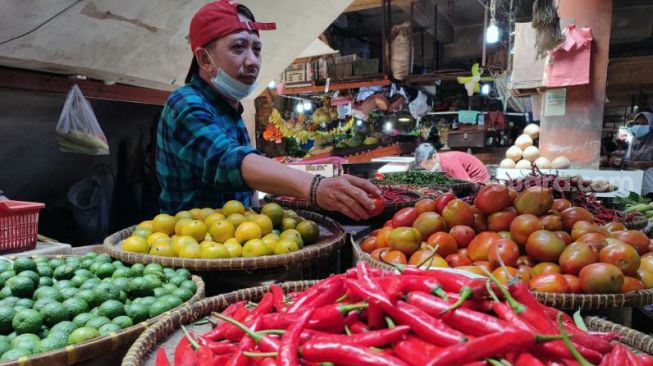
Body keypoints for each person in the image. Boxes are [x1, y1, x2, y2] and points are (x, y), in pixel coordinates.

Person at [156, 1, 380, 220]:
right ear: (204, 59)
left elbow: (243, 188)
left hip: (235, 246)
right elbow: (225, 161)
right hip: (190, 249)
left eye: (257, 49)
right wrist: (315, 187)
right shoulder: (184, 104)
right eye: (238, 47)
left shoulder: (229, 108)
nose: (253, 61)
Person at [414, 143, 489, 183]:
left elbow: (466, 182)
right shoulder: (438, 161)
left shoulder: (448, 163)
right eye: (423, 166)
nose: (426, 168)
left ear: (434, 157)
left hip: (478, 179)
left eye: (427, 164)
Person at [625, 111, 653, 195]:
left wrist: (643, 164)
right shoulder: (634, 139)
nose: (639, 126)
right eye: (637, 123)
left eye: (644, 123)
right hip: (634, 181)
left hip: (650, 183)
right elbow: (628, 158)